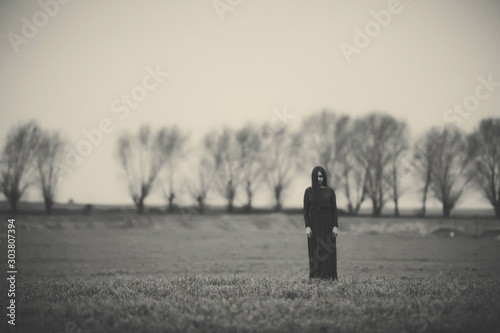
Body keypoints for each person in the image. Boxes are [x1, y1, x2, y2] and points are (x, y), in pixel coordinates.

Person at [303, 165, 339, 279]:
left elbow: (334, 210)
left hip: (328, 225)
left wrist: (335, 226)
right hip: (314, 225)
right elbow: (305, 210)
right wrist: (307, 227)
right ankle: (315, 277)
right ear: (313, 177)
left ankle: (330, 277)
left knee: (328, 251)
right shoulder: (309, 192)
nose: (320, 179)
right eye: (318, 176)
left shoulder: (330, 192)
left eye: (321, 176)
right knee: (315, 251)